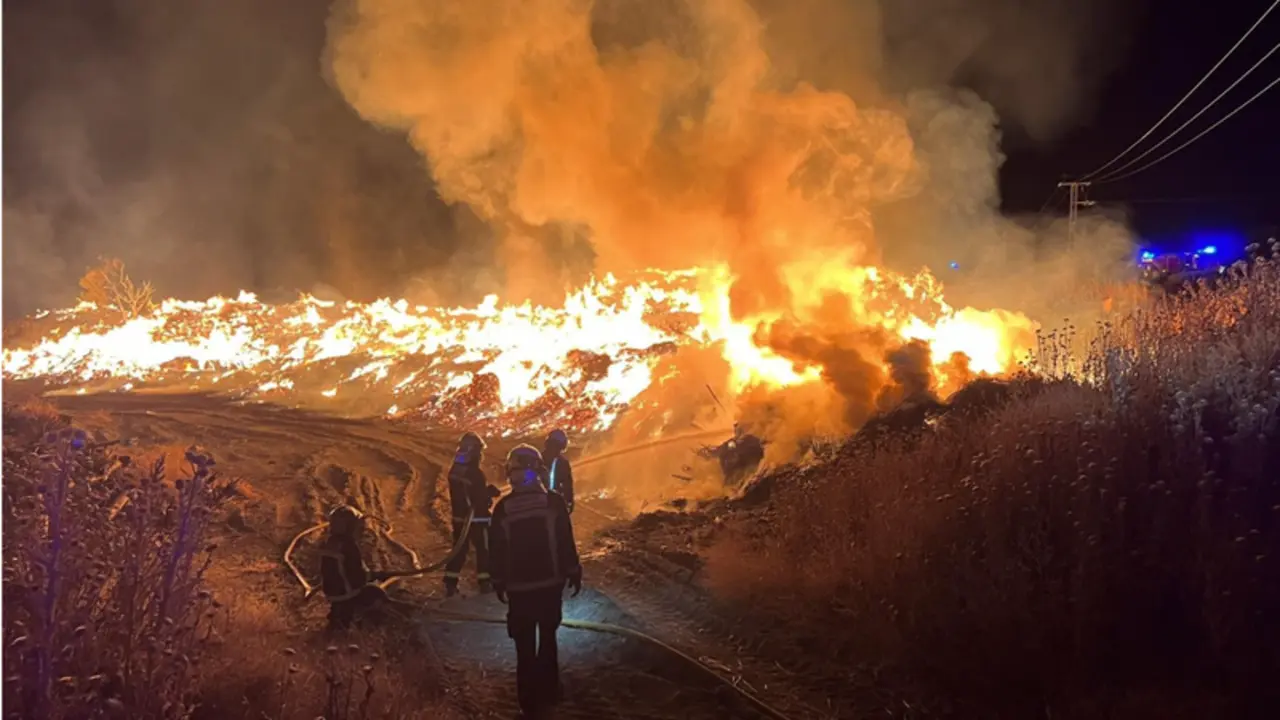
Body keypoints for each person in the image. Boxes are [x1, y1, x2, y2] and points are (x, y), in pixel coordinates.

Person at [489, 444, 583, 717]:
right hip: (550, 586)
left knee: (524, 646)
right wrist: (573, 570)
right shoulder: (553, 503)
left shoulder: (503, 509)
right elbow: (565, 542)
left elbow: (496, 551)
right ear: (538, 470)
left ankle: (528, 701)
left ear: (512, 473)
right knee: (549, 639)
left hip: (519, 591)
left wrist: (498, 581)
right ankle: (549, 691)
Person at [318, 504, 399, 629]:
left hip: (333, 594)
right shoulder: (349, 547)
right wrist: (376, 575)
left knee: (341, 610)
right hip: (347, 593)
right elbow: (357, 576)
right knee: (376, 594)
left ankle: (338, 617)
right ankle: (357, 622)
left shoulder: (329, 542)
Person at [443, 431, 501, 597]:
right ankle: (485, 582)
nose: (480, 455)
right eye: (479, 451)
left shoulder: (455, 470)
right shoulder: (474, 473)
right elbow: (478, 498)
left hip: (459, 518)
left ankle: (450, 583)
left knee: (459, 550)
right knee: (484, 550)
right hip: (476, 519)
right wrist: (490, 493)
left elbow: (466, 493)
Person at [540, 428, 575, 514]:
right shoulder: (562, 463)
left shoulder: (537, 459)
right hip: (553, 503)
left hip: (538, 501)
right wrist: (569, 501)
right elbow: (567, 486)